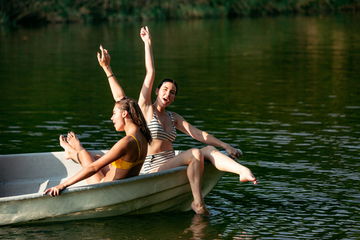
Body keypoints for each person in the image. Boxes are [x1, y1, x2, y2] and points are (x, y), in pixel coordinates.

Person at [104, 26, 258, 215]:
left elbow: (198, 134)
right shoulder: (145, 109)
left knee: (208, 150)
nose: (168, 94)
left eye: (172, 93)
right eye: (165, 90)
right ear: (157, 91)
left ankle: (242, 171)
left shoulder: (173, 117)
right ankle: (198, 203)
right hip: (153, 168)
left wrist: (226, 146)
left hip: (171, 164)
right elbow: (150, 73)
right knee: (194, 153)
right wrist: (147, 44)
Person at [44, 47, 152, 197]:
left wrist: (63, 184)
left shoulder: (127, 142)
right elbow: (122, 99)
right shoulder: (142, 133)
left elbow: (93, 169)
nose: (111, 118)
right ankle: (73, 153)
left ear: (125, 114)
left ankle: (74, 151)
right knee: (97, 158)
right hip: (122, 185)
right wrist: (107, 68)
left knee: (85, 155)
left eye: (114, 114)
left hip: (103, 187)